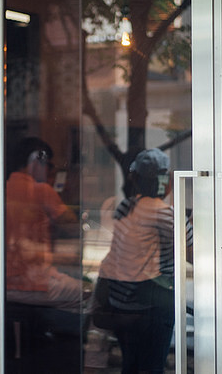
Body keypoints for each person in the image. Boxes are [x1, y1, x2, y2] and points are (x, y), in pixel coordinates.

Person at [95, 148, 175, 374]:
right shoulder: (164, 213)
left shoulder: (125, 206)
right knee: (152, 367)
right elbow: (193, 253)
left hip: (120, 302)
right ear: (164, 180)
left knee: (130, 365)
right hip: (149, 306)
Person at [5, 137, 82, 309]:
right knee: (90, 294)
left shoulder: (3, 188)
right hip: (32, 283)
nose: (50, 171)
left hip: (3, 282)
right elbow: (72, 226)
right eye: (50, 165)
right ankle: (52, 333)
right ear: (36, 162)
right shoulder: (41, 190)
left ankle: (38, 331)